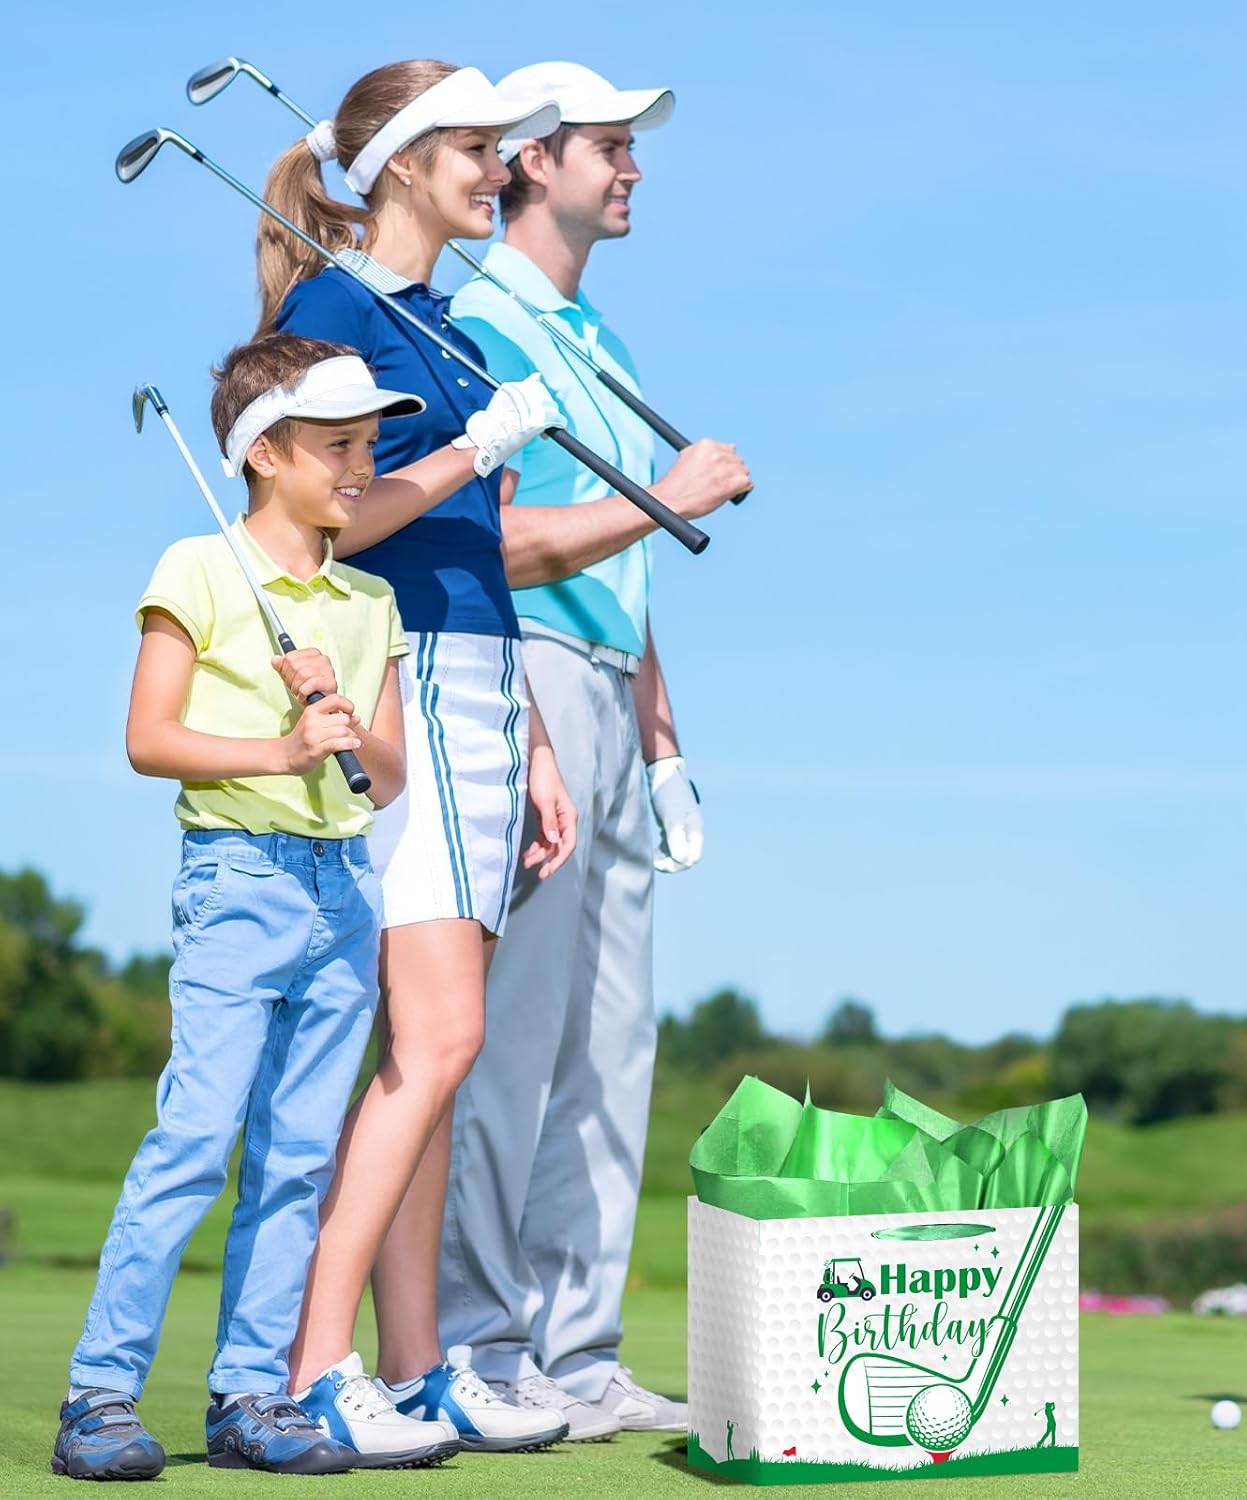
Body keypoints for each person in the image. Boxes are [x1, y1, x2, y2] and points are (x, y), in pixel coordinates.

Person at [258, 60, 585, 1461]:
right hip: (410, 674)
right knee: (443, 1038)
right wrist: (474, 452)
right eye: (476, 147)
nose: (499, 170)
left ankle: (418, 1364)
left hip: (483, 679)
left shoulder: (439, 321)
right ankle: (314, 1367)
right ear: (401, 161)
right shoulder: (331, 315)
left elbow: (476, 557)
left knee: (430, 1054)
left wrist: (539, 736)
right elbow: (327, 520)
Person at [436, 61, 752, 1440]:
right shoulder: (482, 322)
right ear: (534, 158)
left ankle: (577, 1352)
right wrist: (665, 500)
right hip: (527, 679)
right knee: (516, 1033)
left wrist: (665, 744)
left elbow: (626, 571)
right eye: (611, 146)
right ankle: (478, 1343)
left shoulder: (596, 335)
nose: (633, 170)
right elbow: (490, 543)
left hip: (615, 691)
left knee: (613, 1042)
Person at [53, 334, 415, 1479]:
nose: (362, 464)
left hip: (344, 891)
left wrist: (341, 714)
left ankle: (249, 1396)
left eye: (369, 443)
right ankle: (99, 1396)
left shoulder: (370, 599)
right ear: (264, 453)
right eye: (338, 443)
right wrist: (282, 745)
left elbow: (388, 774)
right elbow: (148, 737)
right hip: (237, 881)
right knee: (196, 1139)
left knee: (298, 1159)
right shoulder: (198, 569)